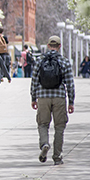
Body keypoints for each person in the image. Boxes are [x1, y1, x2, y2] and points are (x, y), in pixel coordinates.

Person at [31, 36, 75, 165]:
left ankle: (44, 143)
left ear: (48, 45)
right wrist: (71, 102)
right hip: (59, 97)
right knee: (59, 127)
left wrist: (33, 98)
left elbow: (34, 80)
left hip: (43, 97)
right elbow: (70, 84)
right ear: (59, 46)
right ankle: (57, 156)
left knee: (43, 124)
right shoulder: (64, 62)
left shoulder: (39, 61)